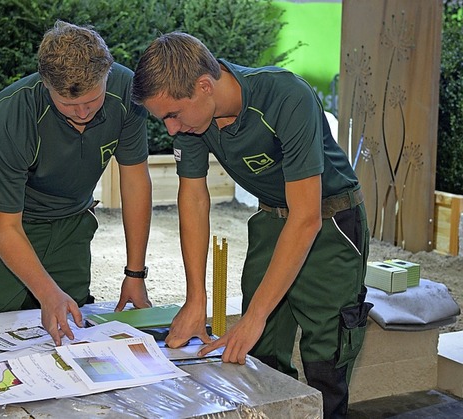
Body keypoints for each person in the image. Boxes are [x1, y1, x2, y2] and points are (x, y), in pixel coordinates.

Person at [132, 32, 371, 418]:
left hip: (330, 223)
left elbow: (306, 216)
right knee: (256, 354)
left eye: (172, 115)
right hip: (271, 219)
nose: (171, 129)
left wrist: (254, 316)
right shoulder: (195, 121)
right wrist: (197, 298)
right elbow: (193, 199)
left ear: (204, 86)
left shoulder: (285, 96)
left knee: (325, 358)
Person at [0, 20, 153, 346]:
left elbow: (135, 182)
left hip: (72, 223)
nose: (83, 113)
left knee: (69, 328)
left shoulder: (126, 92)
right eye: (69, 105)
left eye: (92, 101)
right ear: (46, 85)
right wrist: (47, 293)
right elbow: (5, 225)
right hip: (2, 227)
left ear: (107, 76)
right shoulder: (11, 115)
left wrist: (135, 274)